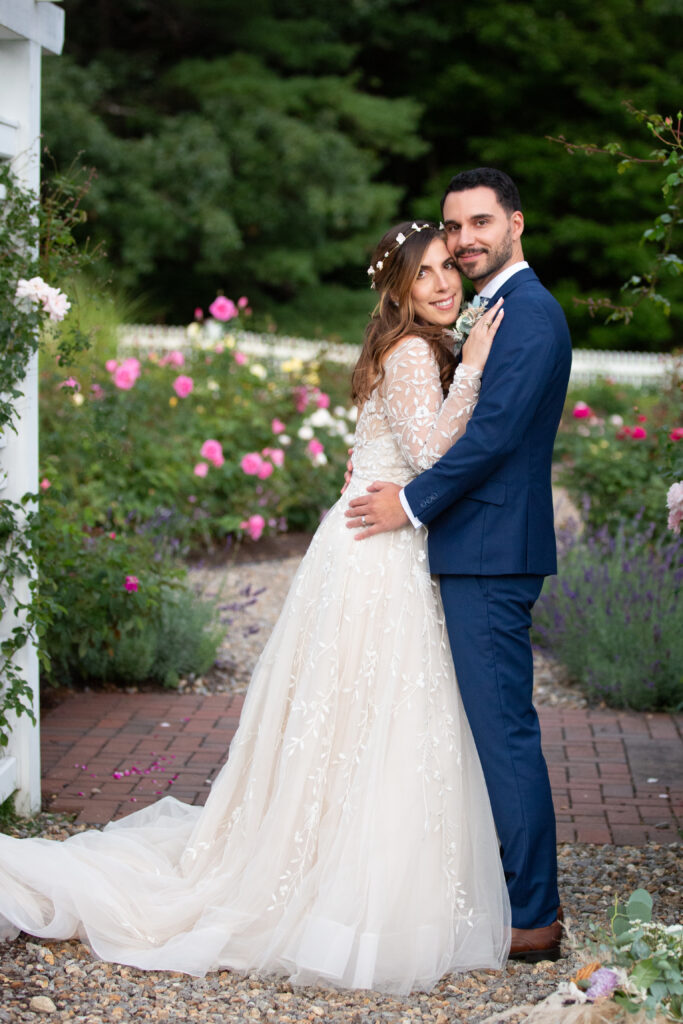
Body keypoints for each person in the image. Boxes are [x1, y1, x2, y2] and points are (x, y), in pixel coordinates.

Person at [0, 222, 508, 995]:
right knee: (378, 716)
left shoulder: (402, 351)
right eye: (425, 273)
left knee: (355, 718)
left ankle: (330, 866)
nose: (443, 283)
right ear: (397, 290)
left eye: (449, 269)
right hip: (375, 557)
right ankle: (345, 891)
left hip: (364, 547)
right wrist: (471, 371)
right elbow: (435, 458)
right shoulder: (414, 354)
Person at [346, 170, 572, 962]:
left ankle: (533, 916)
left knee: (502, 733)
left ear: (516, 221)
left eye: (480, 223)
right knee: (483, 729)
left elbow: (494, 436)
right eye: (455, 227)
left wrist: (406, 505)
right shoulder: (491, 310)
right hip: (473, 547)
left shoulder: (531, 315)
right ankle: (503, 892)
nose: (467, 240)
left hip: (486, 551)